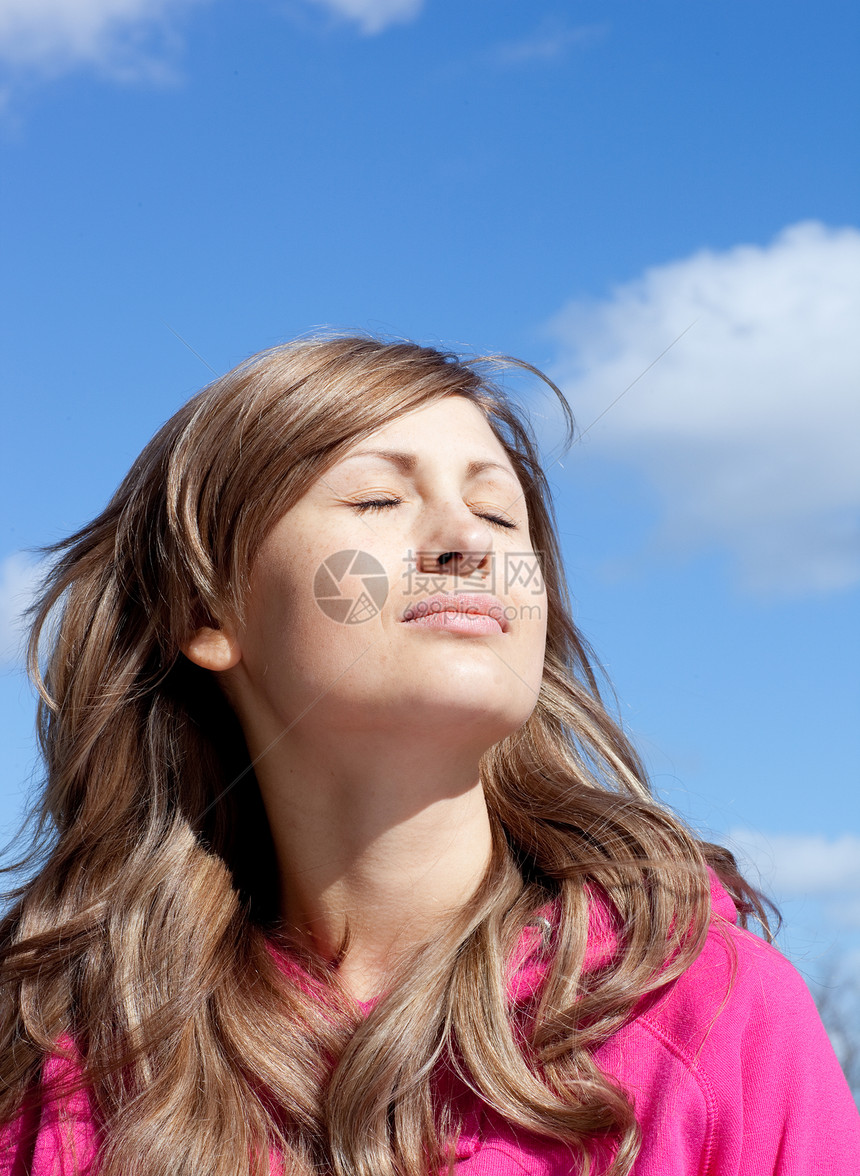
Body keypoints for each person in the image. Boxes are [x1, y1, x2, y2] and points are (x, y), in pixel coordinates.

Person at [1, 335, 857, 1176]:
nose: (468, 542)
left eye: (497, 513)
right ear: (209, 612)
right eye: (377, 499)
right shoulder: (63, 1053)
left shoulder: (712, 1015)